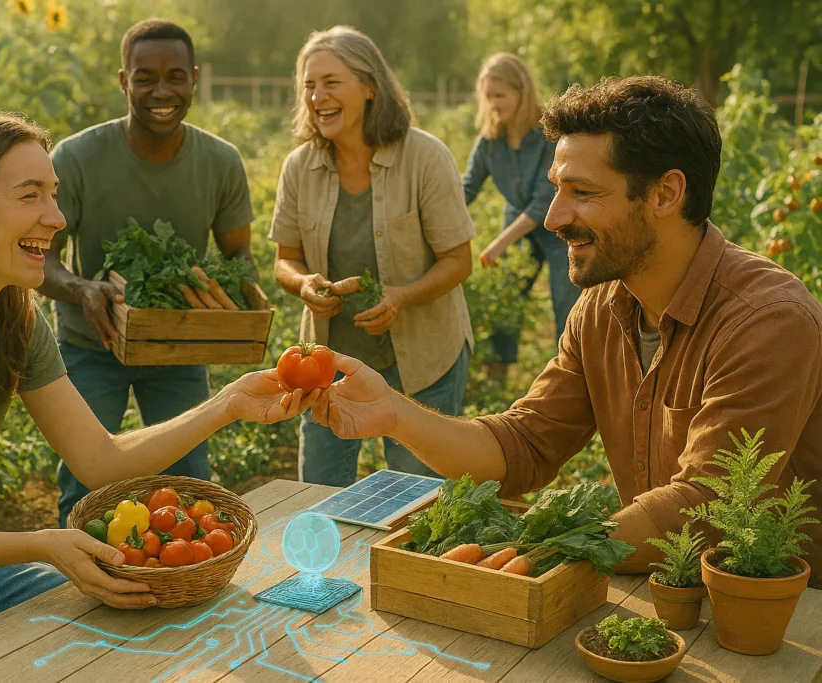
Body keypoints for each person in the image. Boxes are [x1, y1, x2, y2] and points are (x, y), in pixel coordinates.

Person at [0, 111, 312, 683]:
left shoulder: (14, 319)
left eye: (54, 194)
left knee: (121, 618)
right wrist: (44, 543)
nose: (57, 217)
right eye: (29, 195)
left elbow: (100, 460)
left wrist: (229, 403)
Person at [309, 76, 822, 584]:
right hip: (666, 585)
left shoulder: (766, 320)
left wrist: (541, 545)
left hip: (786, 610)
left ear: (665, 193)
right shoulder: (602, 308)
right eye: (557, 188)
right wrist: (393, 412)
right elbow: (525, 446)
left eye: (583, 192)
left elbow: (705, 508)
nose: (553, 217)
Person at [38, 19, 256, 527]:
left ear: (194, 78)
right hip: (92, 343)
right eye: (145, 78)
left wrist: (231, 300)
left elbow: (238, 252)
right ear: (124, 81)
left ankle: (180, 568)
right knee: (84, 488)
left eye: (176, 77)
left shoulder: (220, 161)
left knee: (189, 484)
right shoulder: (75, 158)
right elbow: (42, 257)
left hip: (179, 348)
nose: (162, 91)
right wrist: (82, 288)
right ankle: (77, 573)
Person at [269, 26, 476, 488]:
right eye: (309, 85)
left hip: (422, 359)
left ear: (369, 87)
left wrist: (402, 296)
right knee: (318, 492)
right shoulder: (299, 167)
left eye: (331, 82)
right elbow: (285, 260)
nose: (317, 97)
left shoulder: (424, 157)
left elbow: (458, 260)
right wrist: (303, 284)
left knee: (415, 496)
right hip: (325, 367)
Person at [462, 53, 581, 382]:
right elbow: (467, 188)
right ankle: (497, 377)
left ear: (521, 91)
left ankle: (572, 377)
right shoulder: (489, 141)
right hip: (517, 222)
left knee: (567, 303)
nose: (493, 105)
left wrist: (498, 244)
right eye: (488, 97)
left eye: (500, 96)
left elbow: (545, 200)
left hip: (559, 226)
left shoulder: (548, 135)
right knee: (506, 298)